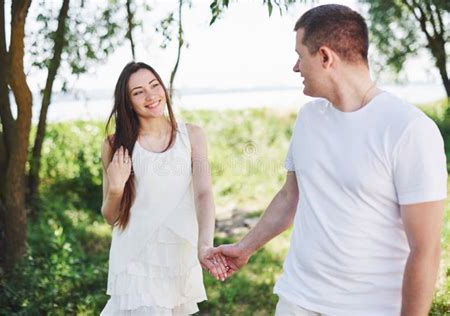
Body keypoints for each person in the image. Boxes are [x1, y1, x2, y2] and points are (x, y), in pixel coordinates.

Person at [211, 4, 447, 316]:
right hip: (297, 300)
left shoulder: (409, 129)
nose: (296, 67)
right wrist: (245, 249)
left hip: (370, 308)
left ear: (324, 57)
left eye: (300, 55)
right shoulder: (308, 118)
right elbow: (290, 197)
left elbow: (425, 249)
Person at [100, 62, 227, 315]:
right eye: (138, 92)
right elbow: (111, 216)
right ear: (127, 102)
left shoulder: (192, 135)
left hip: (179, 256)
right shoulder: (116, 144)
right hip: (136, 259)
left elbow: (203, 194)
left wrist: (205, 245)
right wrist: (115, 188)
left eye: (154, 85)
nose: (150, 96)